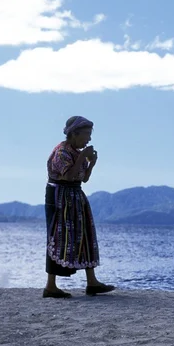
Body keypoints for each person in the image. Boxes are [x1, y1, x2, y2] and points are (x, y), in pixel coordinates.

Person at [43, 116, 115, 298]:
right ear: (74, 134)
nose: (89, 139)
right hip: (60, 196)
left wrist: (91, 163)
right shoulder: (61, 152)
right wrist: (83, 156)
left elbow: (83, 178)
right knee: (58, 237)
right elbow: (67, 176)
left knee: (85, 235)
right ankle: (50, 286)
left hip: (75, 195)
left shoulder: (75, 151)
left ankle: (92, 282)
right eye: (86, 135)